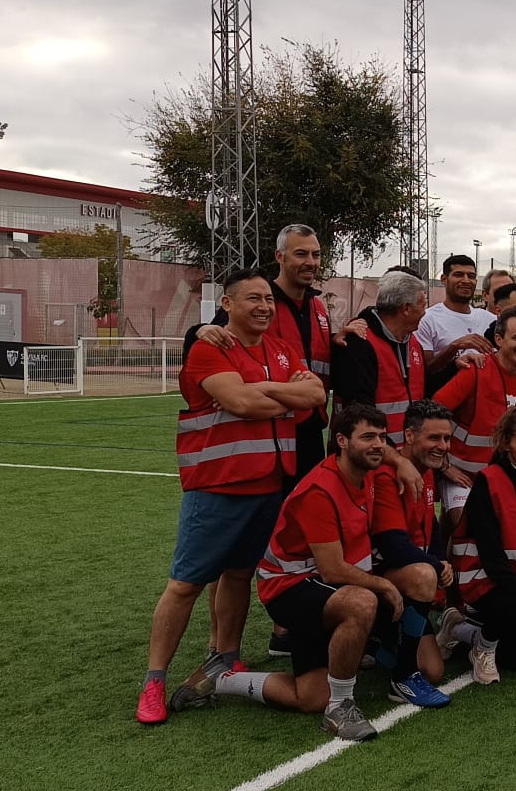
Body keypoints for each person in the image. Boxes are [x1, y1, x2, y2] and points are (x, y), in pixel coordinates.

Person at [139, 269, 326, 725]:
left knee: (239, 575)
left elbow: (316, 394)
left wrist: (263, 391)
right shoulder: (210, 348)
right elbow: (242, 404)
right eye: (253, 299)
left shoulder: (281, 349)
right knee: (185, 584)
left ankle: (227, 657)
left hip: (270, 487)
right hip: (217, 488)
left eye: (268, 299)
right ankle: (154, 681)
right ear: (227, 304)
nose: (264, 306)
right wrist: (282, 397)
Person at [170, 404, 396, 740]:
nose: (378, 445)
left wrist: (403, 463)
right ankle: (341, 707)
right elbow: (333, 570)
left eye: (382, 436)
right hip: (289, 588)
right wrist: (384, 585)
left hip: (321, 587)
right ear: (342, 441)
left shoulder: (368, 471)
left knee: (310, 697)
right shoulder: (321, 489)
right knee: (363, 602)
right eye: (368, 437)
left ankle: (223, 679)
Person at [191, 223, 336, 479]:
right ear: (279, 256)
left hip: (311, 430)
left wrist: (341, 337)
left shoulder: (318, 306)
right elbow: (214, 336)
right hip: (267, 429)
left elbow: (318, 367)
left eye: (316, 254)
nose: (311, 262)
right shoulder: (257, 301)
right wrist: (198, 330)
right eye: (301, 254)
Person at [436, 407, 516, 685]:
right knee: (511, 607)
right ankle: (482, 647)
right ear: (506, 443)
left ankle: (459, 629)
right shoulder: (488, 480)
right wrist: (515, 585)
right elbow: (487, 545)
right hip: (482, 574)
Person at [366, 400, 459, 707]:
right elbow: (393, 547)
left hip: (401, 577)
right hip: (373, 579)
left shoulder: (425, 470)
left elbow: (430, 526)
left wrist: (440, 559)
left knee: (433, 670)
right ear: (409, 436)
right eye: (434, 438)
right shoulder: (388, 476)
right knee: (423, 575)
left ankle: (372, 643)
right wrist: (436, 566)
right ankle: (402, 679)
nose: (443, 446)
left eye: (446, 438)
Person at [434, 306, 516, 476]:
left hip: (512, 477)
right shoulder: (476, 369)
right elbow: (433, 413)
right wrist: (444, 466)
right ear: (499, 339)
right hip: (466, 476)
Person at [331, 270, 429, 446]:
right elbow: (359, 411)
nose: (425, 312)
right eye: (423, 305)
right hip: (369, 455)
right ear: (406, 308)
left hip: (405, 453)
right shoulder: (359, 343)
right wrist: (391, 454)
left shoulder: (413, 342)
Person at [418, 254, 496, 378]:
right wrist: (455, 346)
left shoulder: (490, 320)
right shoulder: (427, 319)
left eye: (471, 276)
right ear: (444, 279)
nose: (466, 281)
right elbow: (423, 370)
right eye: (458, 275)